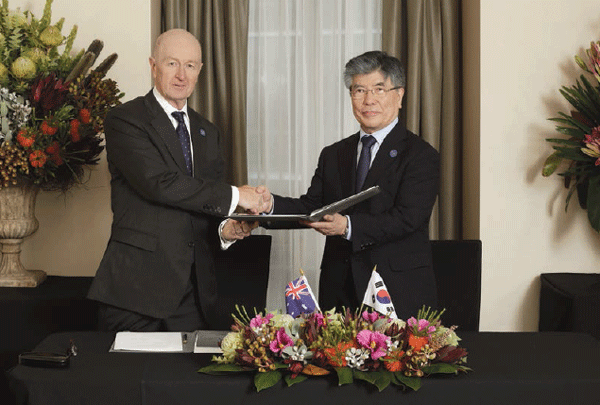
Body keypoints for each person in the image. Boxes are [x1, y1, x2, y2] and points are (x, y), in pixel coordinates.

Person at [88, 29, 266, 332]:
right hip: (135, 292)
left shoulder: (208, 131)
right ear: (153, 65)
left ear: (199, 71)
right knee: (129, 379)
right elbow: (160, 183)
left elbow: (206, 201)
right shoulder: (125, 120)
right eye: (172, 64)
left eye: (191, 65)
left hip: (193, 294)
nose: (182, 75)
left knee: (188, 378)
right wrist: (238, 195)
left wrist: (227, 227)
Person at [260, 51, 440, 320]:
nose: (369, 100)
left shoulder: (420, 155)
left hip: (396, 289)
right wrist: (266, 205)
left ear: (399, 95)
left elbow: (408, 218)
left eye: (379, 89)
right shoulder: (334, 154)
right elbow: (312, 207)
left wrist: (348, 227)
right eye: (359, 90)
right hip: (339, 289)